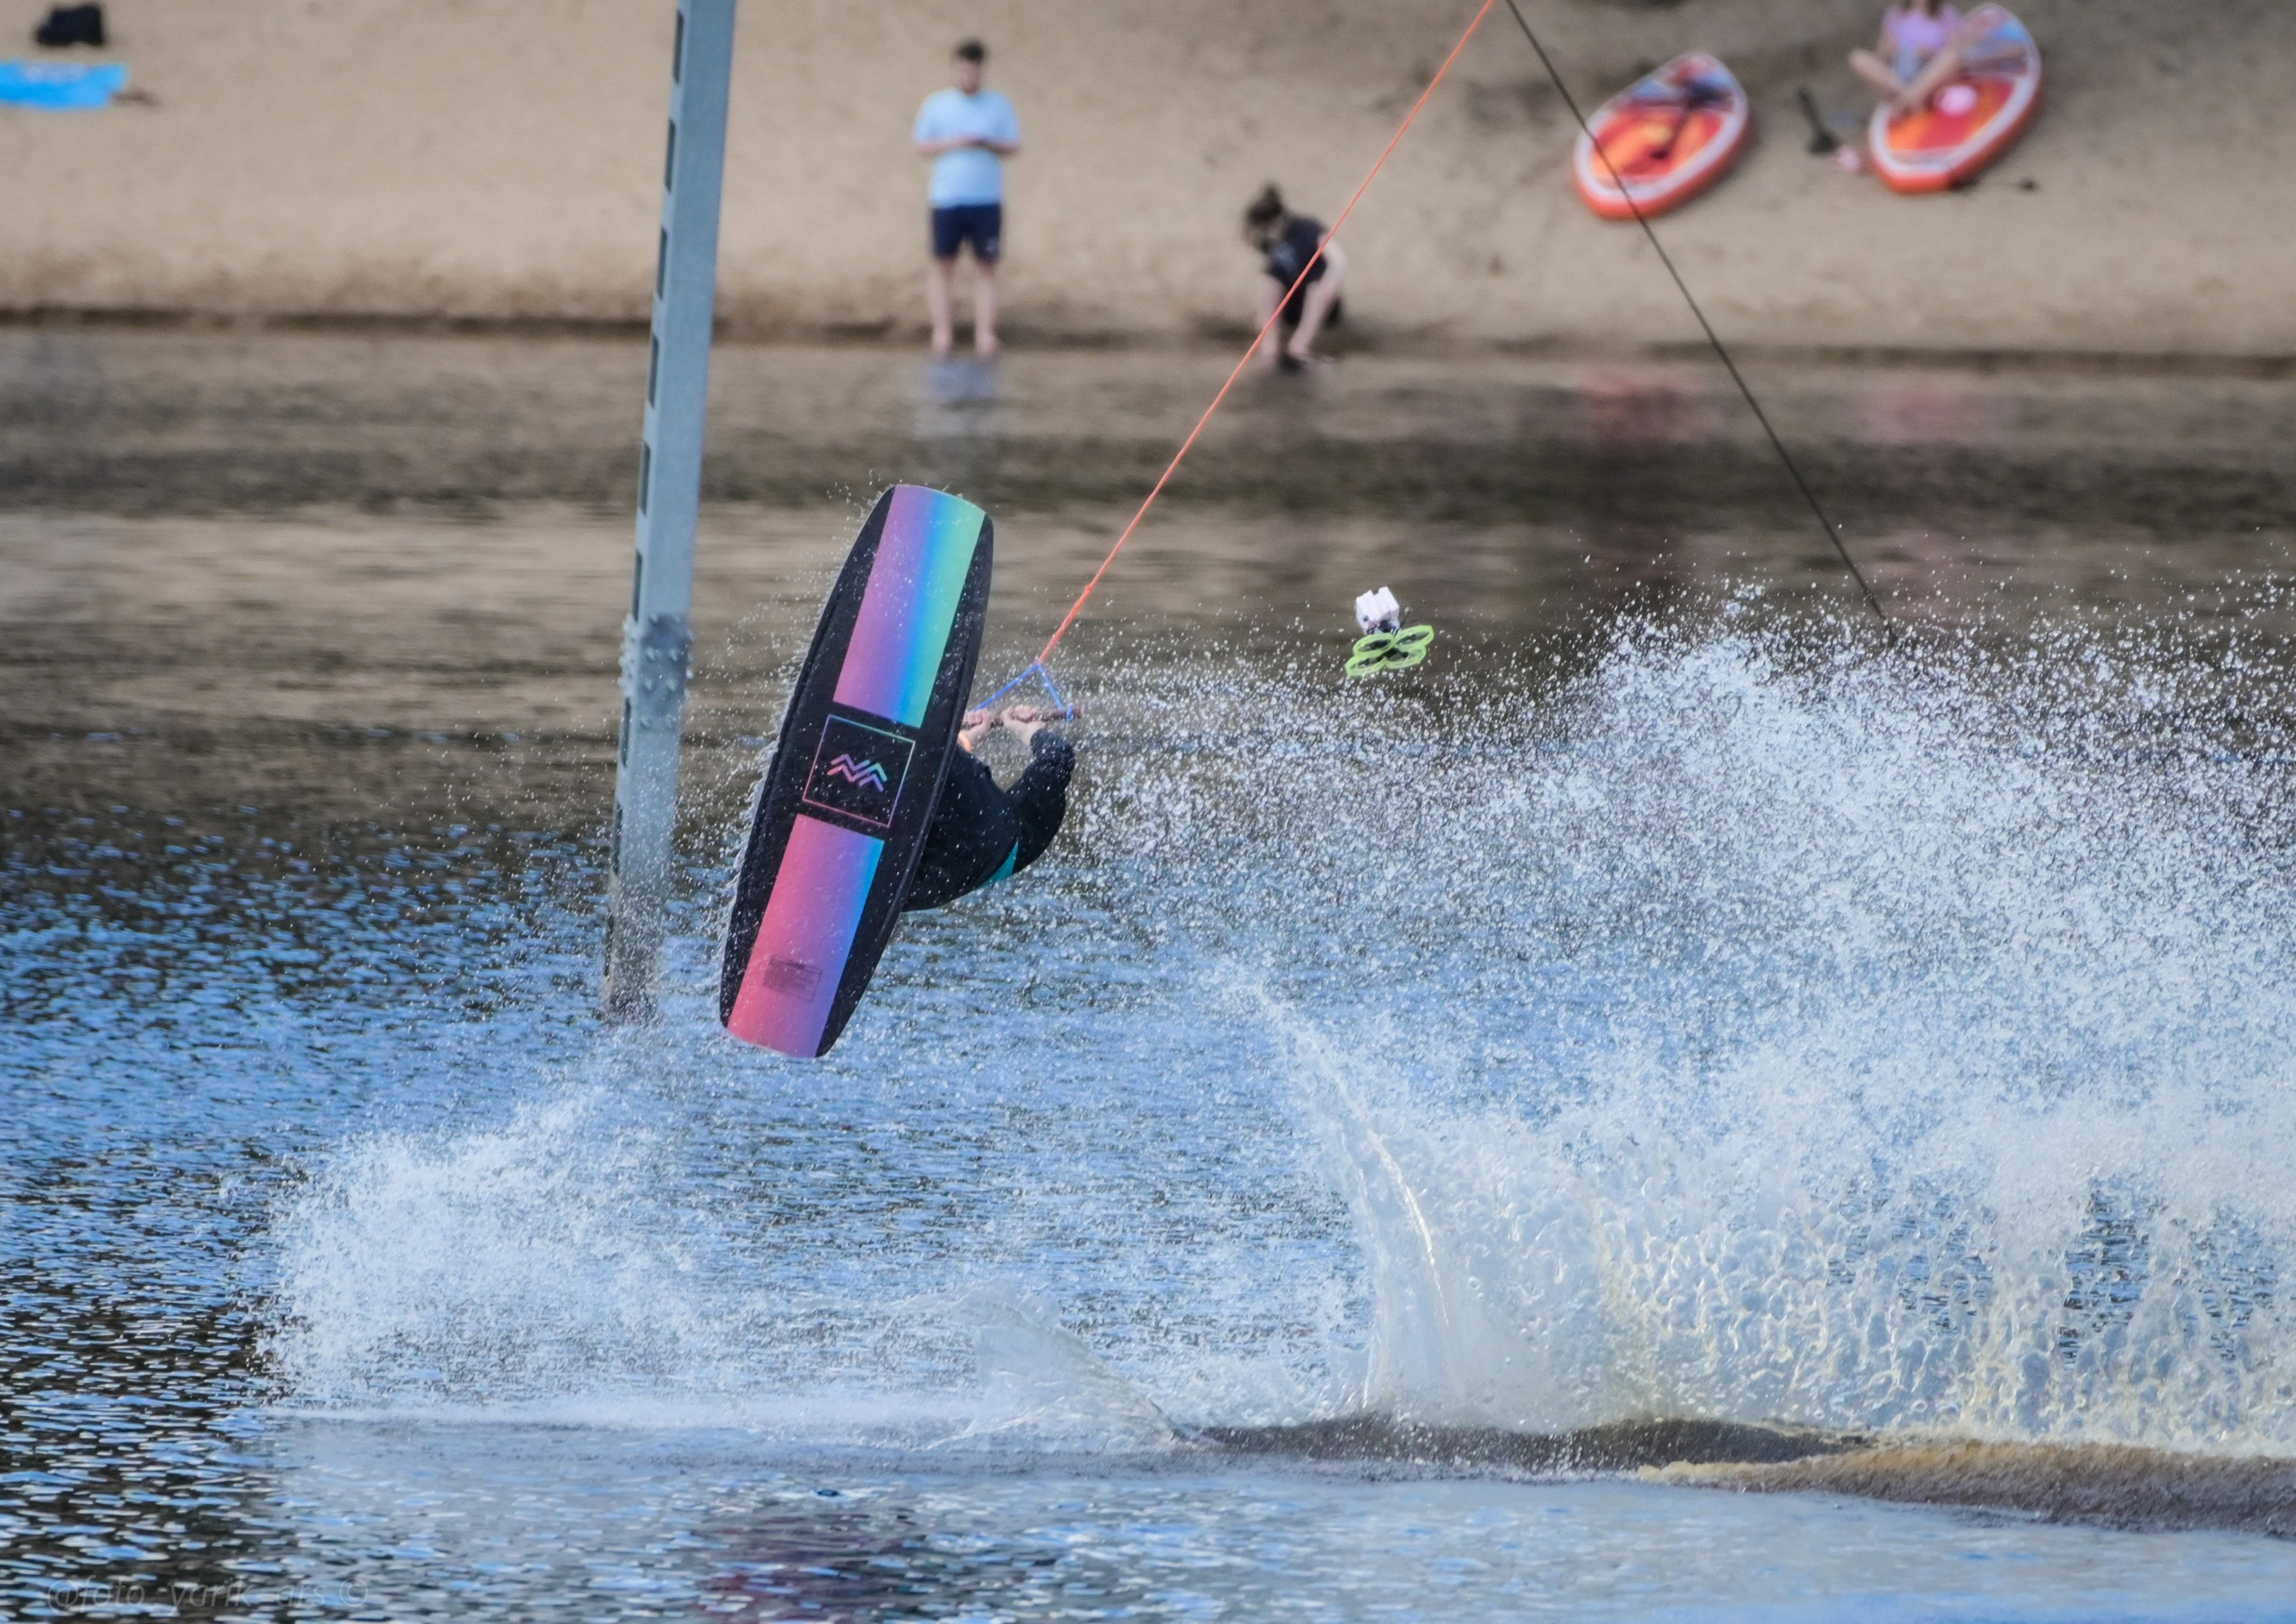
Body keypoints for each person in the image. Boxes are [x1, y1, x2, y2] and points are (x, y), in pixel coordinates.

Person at [901, 706, 1074, 911]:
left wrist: (1031, 731)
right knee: (917, 756)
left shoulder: (1020, 823)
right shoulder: (1023, 822)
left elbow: (1059, 756)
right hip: (920, 888)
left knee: (923, 748)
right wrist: (967, 738)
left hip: (972, 843)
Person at [912, 39, 1022, 360]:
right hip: (946, 197)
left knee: (986, 266)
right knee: (943, 264)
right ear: (955, 69)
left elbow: (1013, 146)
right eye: (963, 70)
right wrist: (955, 141)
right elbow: (921, 146)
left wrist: (987, 143)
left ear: (982, 70)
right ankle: (942, 333)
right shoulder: (936, 104)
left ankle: (985, 334)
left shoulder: (999, 104)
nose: (968, 76)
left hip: (986, 197)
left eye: (974, 70)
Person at [1242, 185, 1347, 372]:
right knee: (1269, 280)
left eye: (1265, 227)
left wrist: (1328, 285)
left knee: (1316, 288)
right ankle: (1270, 348)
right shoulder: (1269, 242)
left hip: (1321, 301)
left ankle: (1299, 348)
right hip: (1291, 306)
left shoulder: (1308, 229)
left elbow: (1338, 261)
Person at [1849, 0, 1969, 117]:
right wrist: (1890, 48)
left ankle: (1909, 100)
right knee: (1857, 57)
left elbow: (1956, 50)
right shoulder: (1895, 13)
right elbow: (1881, 58)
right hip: (1901, 77)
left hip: (1931, 73)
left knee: (1951, 57)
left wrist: (1925, 52)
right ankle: (1910, 97)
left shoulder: (1945, 12)